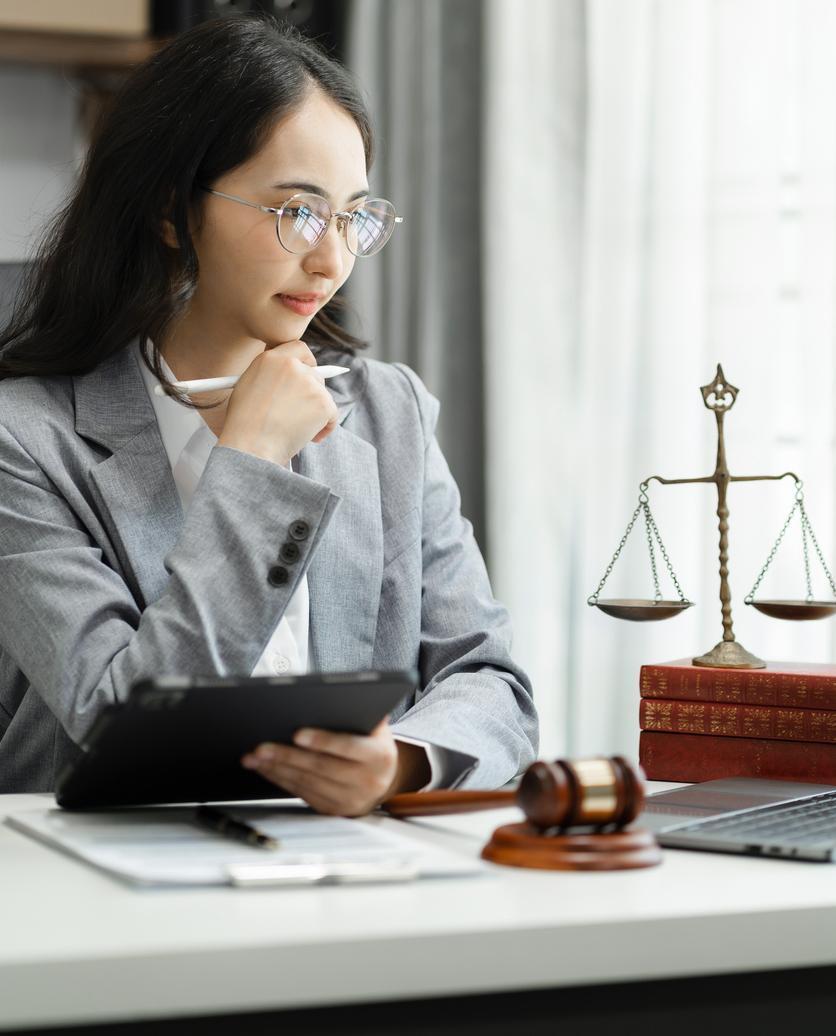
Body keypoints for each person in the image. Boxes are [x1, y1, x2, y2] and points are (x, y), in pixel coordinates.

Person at [0, 14, 537, 814]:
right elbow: (117, 719)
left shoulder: (390, 414)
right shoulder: (26, 441)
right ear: (171, 210)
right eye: (297, 213)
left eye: (353, 217)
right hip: (100, 884)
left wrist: (400, 762)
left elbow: (491, 681)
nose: (331, 260)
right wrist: (249, 461)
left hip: (343, 872)